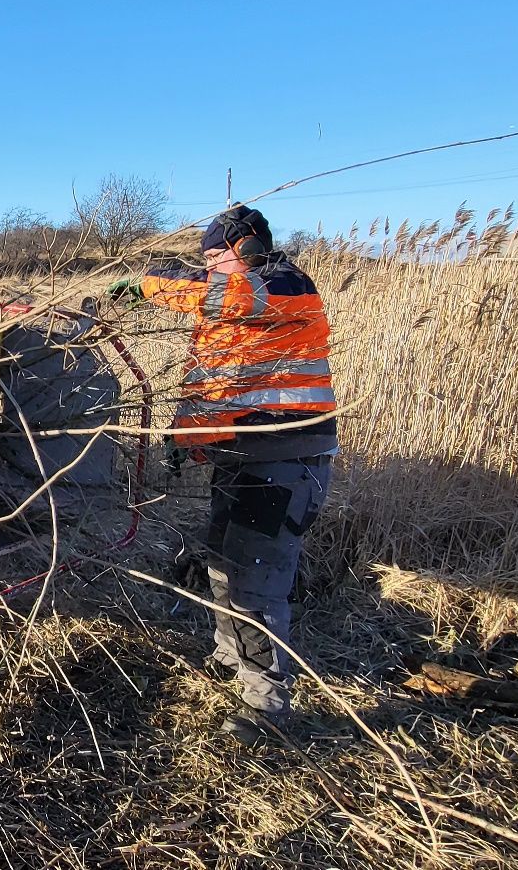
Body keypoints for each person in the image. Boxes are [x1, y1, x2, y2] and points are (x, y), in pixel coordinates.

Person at [109, 205, 337, 744]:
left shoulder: (284, 285)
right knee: (223, 563)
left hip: (285, 458)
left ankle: (267, 705)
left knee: (256, 579)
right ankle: (230, 659)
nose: (208, 270)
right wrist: (185, 440)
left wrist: (147, 287)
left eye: (215, 257)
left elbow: (230, 297)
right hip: (242, 457)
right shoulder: (232, 311)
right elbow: (216, 384)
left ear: (249, 250)